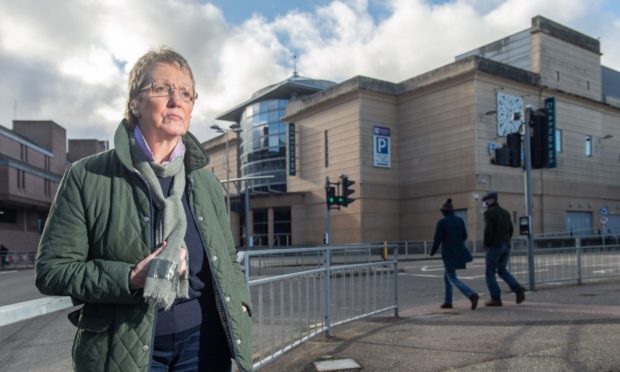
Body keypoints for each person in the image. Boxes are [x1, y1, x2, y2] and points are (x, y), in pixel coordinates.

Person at [35, 47, 252, 372]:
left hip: (204, 343)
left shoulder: (204, 183)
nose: (176, 101)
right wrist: (131, 278)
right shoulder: (87, 177)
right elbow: (53, 271)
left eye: (186, 93)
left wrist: (243, 305)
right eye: (162, 89)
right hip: (123, 351)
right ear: (134, 102)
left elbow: (228, 260)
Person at [430, 198, 479, 310]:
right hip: (459, 251)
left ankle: (471, 294)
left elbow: (437, 239)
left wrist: (432, 252)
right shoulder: (460, 220)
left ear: (443, 211)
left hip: (448, 253)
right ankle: (448, 301)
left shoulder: (442, 222)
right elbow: (465, 236)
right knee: (447, 277)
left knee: (452, 278)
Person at [482, 191, 526, 307]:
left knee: (490, 272)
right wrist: (506, 240)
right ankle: (517, 288)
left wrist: (487, 244)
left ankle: (495, 298)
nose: (485, 203)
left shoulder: (489, 213)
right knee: (502, 270)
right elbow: (511, 229)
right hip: (506, 244)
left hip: (495, 246)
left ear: (491, 200)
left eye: (486, 200)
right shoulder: (505, 213)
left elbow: (488, 230)